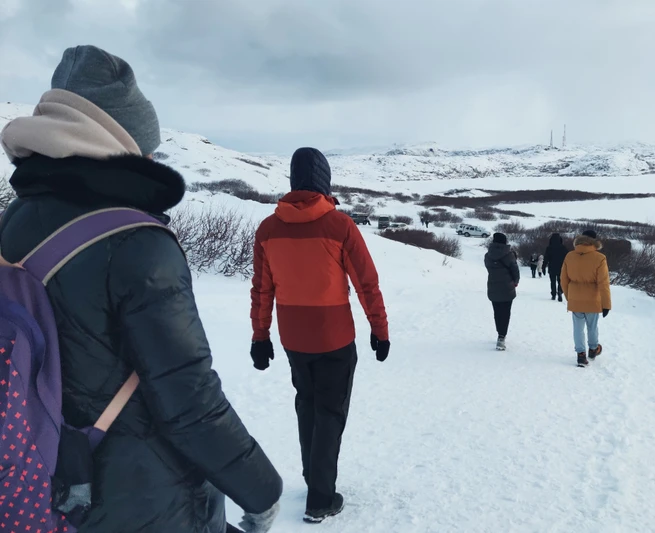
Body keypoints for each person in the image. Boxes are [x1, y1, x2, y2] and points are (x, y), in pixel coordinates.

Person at [0, 45, 282, 533]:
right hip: (145, 498)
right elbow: (188, 397)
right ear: (122, 142)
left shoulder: (15, 221)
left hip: (47, 481)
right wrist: (261, 491)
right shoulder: (137, 243)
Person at [250, 147, 390, 524]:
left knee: (307, 405)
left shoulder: (268, 229)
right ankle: (321, 498)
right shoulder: (340, 226)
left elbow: (262, 290)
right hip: (335, 339)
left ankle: (314, 477)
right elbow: (366, 283)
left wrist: (260, 336)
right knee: (330, 412)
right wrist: (379, 330)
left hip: (294, 340)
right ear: (325, 182)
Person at [561, 230, 612, 367]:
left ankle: (581, 354)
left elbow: (563, 280)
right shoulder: (600, 258)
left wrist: (569, 297)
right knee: (592, 326)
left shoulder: (570, 256)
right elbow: (603, 283)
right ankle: (593, 349)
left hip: (575, 298)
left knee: (577, 328)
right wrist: (606, 304)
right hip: (592, 299)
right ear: (595, 241)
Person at [484, 233, 520, 351]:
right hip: (507, 287)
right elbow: (515, 270)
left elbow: (489, 268)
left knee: (497, 312)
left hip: (493, 286)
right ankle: (501, 336)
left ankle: (499, 332)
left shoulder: (487, 256)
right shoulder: (509, 255)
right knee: (506, 312)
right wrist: (515, 282)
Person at [543, 233, 569, 301]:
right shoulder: (563, 248)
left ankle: (553, 294)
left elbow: (546, 258)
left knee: (553, 281)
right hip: (561, 267)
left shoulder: (549, 248)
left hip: (552, 267)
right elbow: (567, 258)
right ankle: (560, 291)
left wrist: (543, 267)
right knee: (560, 281)